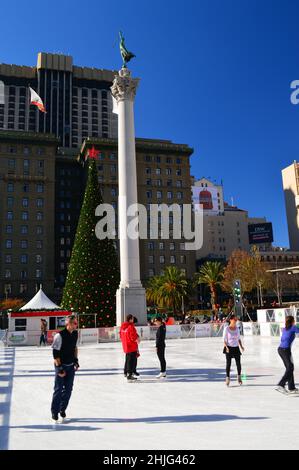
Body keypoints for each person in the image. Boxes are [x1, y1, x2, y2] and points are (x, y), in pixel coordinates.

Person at [51, 315, 79, 422]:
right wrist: (59, 368)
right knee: (58, 390)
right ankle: (54, 411)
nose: (76, 325)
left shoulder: (75, 334)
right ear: (68, 324)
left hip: (70, 366)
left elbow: (75, 348)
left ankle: (62, 409)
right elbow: (55, 353)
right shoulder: (59, 335)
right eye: (75, 323)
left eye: (76, 323)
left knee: (68, 390)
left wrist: (76, 360)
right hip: (61, 366)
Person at [275, 315, 299, 395]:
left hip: (281, 350)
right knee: (290, 367)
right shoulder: (293, 327)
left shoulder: (285, 329)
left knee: (290, 368)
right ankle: (281, 384)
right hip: (285, 350)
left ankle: (291, 387)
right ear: (292, 321)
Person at [223, 314, 244, 386]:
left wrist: (241, 346)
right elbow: (224, 340)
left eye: (236, 320)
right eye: (234, 319)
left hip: (236, 348)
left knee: (238, 363)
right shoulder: (226, 329)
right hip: (228, 347)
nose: (236, 321)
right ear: (231, 320)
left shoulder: (237, 329)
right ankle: (228, 378)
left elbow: (239, 339)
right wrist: (226, 347)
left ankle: (239, 377)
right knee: (228, 364)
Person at [120, 314, 140, 382]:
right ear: (130, 319)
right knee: (131, 361)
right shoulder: (130, 326)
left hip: (126, 346)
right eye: (132, 319)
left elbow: (121, 336)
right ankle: (130, 375)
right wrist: (137, 339)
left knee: (128, 360)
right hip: (132, 346)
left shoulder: (123, 326)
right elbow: (133, 336)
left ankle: (126, 373)